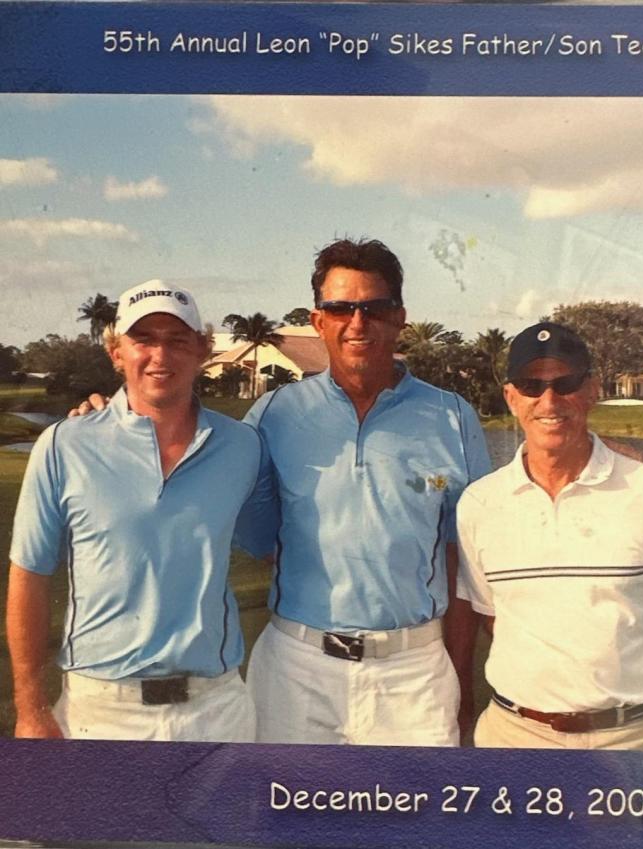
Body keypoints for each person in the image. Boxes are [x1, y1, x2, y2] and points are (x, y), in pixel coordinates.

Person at [235, 238, 491, 746]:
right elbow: (254, 535)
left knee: (413, 824)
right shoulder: (272, 416)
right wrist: (113, 421)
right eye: (341, 308)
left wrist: (463, 680)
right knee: (288, 821)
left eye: (373, 308)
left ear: (399, 318)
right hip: (296, 667)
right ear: (318, 319)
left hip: (413, 674)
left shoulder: (452, 417)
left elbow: (465, 560)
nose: (358, 323)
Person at [6, 281, 261, 741]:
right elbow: (29, 577)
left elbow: (278, 538)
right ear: (115, 352)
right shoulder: (65, 445)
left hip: (217, 708)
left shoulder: (242, 445)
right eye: (143, 339)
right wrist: (30, 705)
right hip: (102, 711)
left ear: (202, 350)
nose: (160, 356)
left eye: (177, 340)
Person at [456, 322, 643, 750]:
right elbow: (493, 616)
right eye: (531, 385)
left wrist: (613, 646)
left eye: (566, 383)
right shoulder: (479, 504)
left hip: (632, 740)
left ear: (593, 389)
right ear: (511, 397)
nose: (549, 400)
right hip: (513, 738)